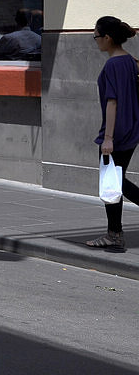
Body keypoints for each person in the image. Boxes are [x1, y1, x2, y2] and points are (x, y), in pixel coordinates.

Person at [85, 16, 139, 252]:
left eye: (96, 36)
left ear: (107, 38)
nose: (96, 41)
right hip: (131, 130)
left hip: (116, 133)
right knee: (116, 181)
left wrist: (108, 138)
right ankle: (113, 233)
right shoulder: (130, 61)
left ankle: (114, 235)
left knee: (111, 183)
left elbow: (112, 101)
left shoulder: (112, 65)